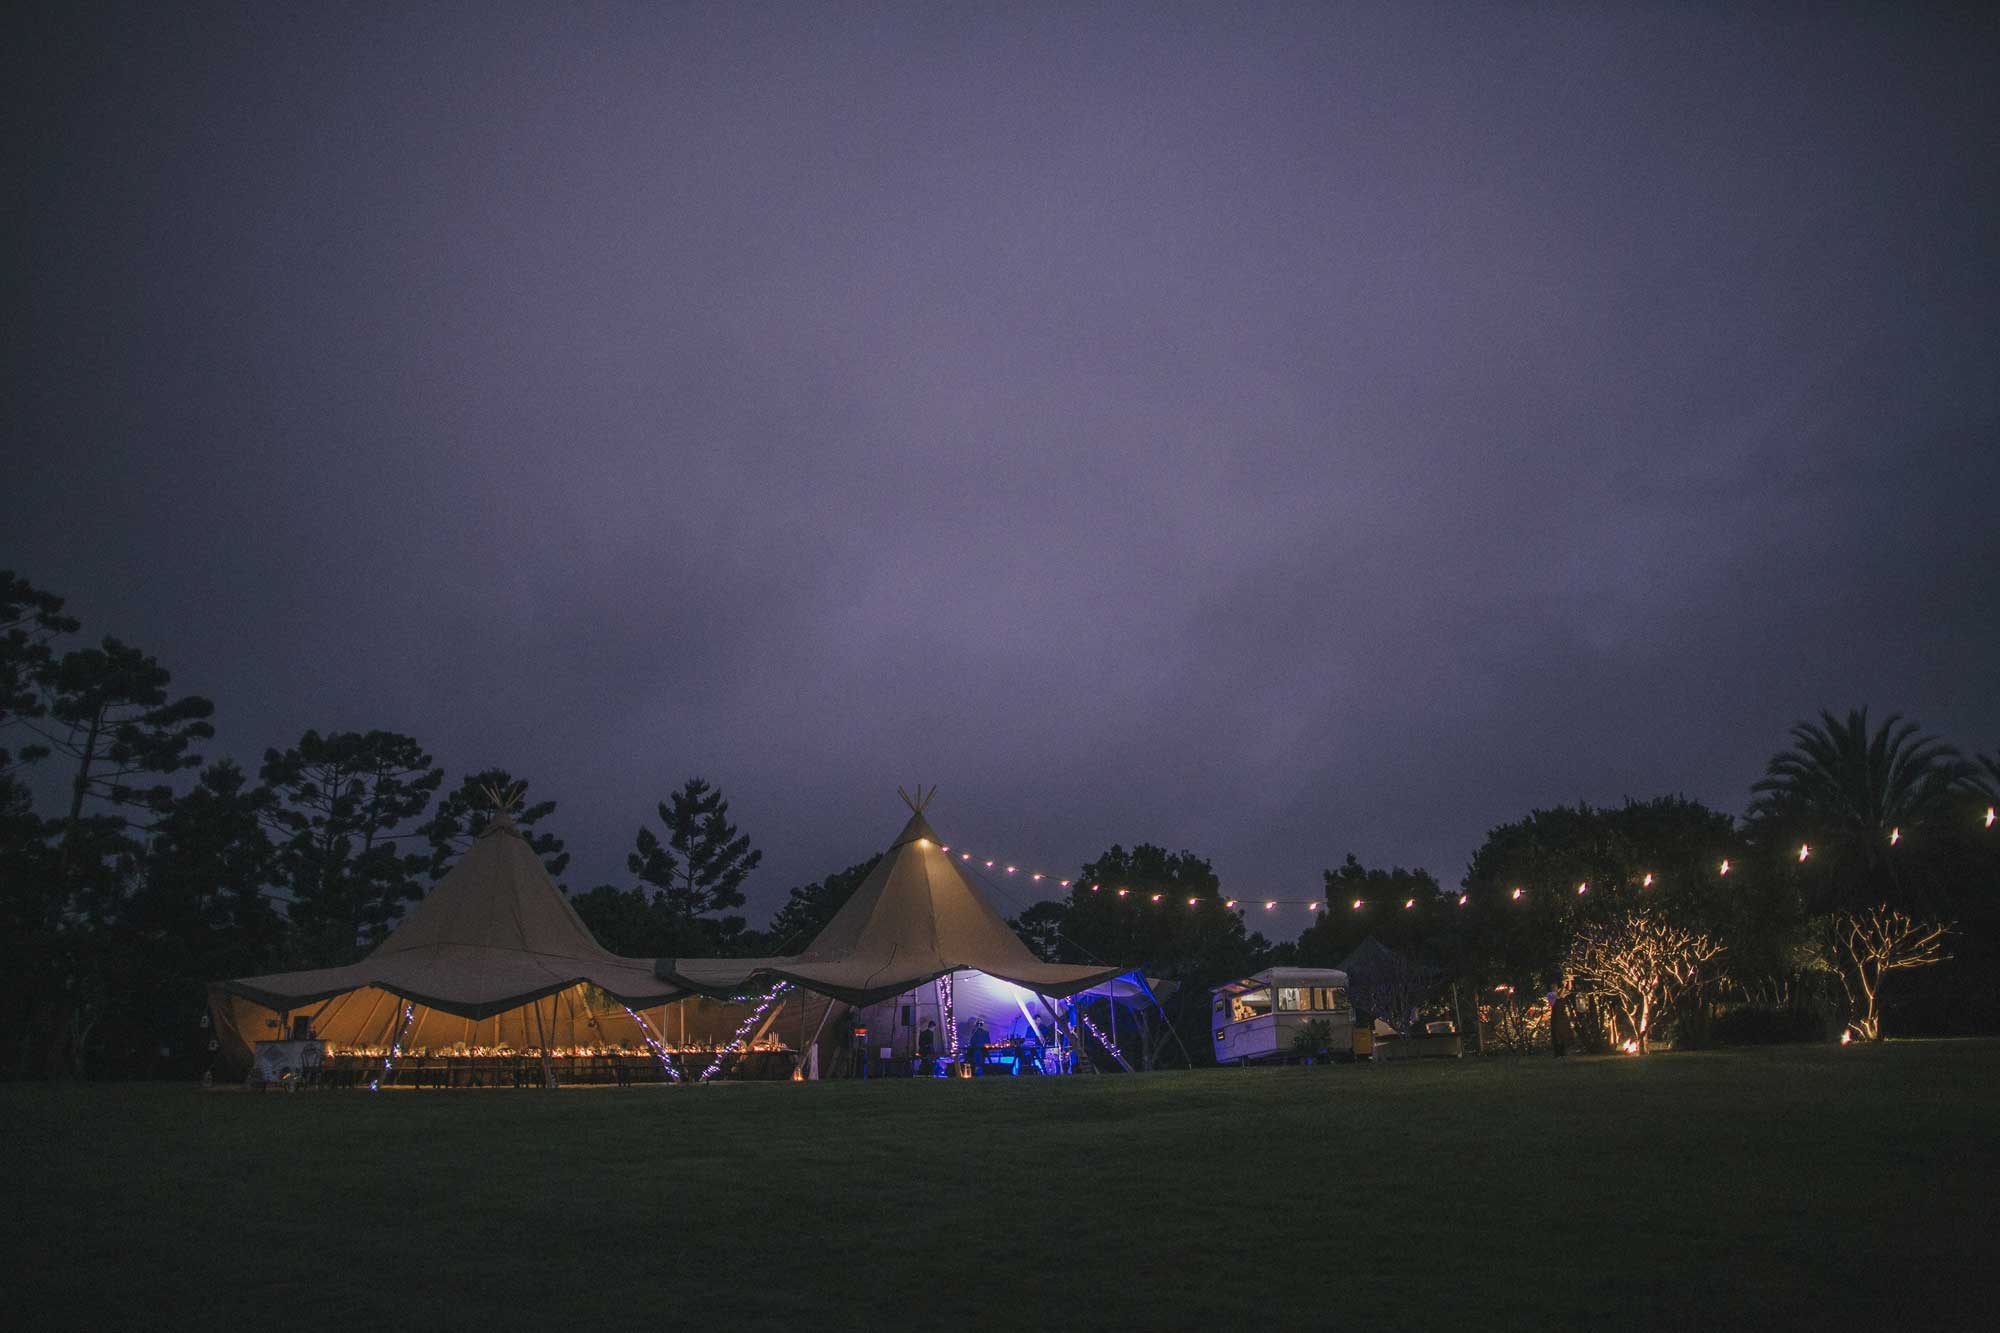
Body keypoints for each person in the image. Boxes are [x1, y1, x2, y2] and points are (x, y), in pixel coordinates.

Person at [1550, 989, 1572, 1058]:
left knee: (1563, 1034)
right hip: (1556, 1017)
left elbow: (1568, 990)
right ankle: (1557, 1053)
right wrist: (1564, 985)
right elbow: (1558, 996)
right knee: (1556, 1035)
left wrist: (1569, 981)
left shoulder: (1561, 996)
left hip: (1562, 1017)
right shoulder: (1551, 995)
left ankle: (1563, 1052)